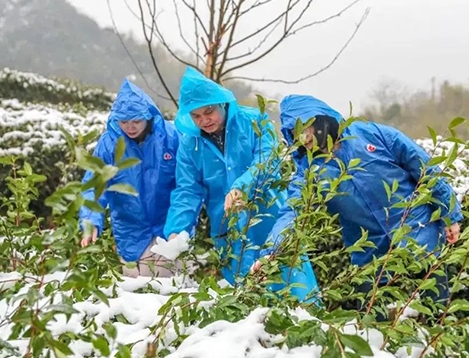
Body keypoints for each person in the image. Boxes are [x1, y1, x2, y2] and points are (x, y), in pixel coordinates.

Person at [262, 94, 463, 305]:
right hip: (370, 251)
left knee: (436, 306)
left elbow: (425, 169)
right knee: (372, 316)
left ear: (318, 119)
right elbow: (292, 213)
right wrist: (271, 252)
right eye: (294, 133)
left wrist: (449, 215)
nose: (302, 138)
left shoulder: (373, 135)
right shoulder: (309, 172)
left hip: (418, 231)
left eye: (304, 128)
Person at [164, 67, 318, 301]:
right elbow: (187, 190)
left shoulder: (254, 122)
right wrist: (178, 230)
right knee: (242, 298)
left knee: (292, 286)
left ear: (222, 104)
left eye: (209, 112)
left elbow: (267, 160)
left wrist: (242, 188)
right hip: (228, 228)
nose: (204, 120)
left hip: (269, 218)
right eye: (196, 116)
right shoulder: (189, 145)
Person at [79, 79, 180, 277]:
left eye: (136, 121)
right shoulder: (109, 143)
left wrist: (181, 224)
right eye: (124, 122)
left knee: (167, 290)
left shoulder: (170, 137)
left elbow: (185, 183)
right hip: (130, 230)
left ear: (147, 116)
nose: (130, 127)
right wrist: (90, 219)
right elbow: (95, 183)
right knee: (134, 293)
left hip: (167, 226)